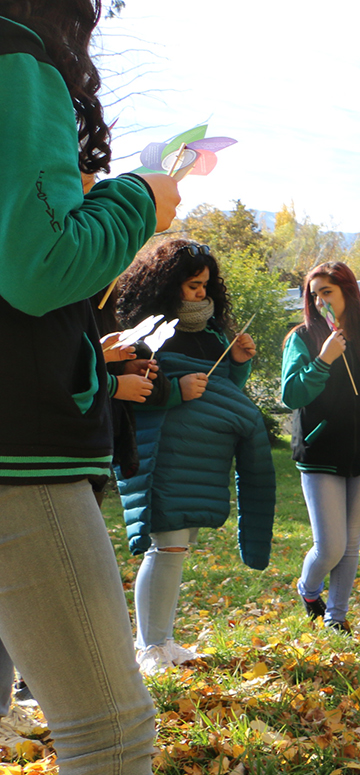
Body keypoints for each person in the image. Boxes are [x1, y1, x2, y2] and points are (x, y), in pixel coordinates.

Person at [0, 0, 183, 775]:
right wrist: (137, 201)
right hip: (14, 454)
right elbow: (34, 267)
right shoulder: (15, 53)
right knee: (108, 736)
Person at [115, 238, 275, 671]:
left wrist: (237, 363)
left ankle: (162, 640)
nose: (201, 292)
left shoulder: (212, 334)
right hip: (162, 451)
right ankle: (148, 646)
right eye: (191, 285)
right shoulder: (145, 333)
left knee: (178, 547)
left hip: (204, 456)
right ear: (166, 287)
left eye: (205, 285)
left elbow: (220, 394)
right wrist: (176, 392)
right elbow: (134, 390)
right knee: (165, 545)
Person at [281, 262, 360, 635]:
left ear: (348, 292)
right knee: (330, 545)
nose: (320, 302)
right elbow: (291, 395)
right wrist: (323, 360)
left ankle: (336, 616)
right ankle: (309, 588)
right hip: (320, 455)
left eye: (327, 292)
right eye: (314, 294)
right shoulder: (301, 338)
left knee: (350, 543)